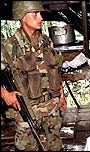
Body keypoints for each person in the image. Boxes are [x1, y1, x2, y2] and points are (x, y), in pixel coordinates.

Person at [1, 1, 67, 151]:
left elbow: (55, 70)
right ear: (22, 16)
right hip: (27, 109)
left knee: (55, 147)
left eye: (40, 13)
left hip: (52, 107)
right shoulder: (10, 47)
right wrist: (5, 95)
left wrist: (61, 95)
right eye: (35, 13)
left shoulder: (46, 41)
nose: (41, 17)